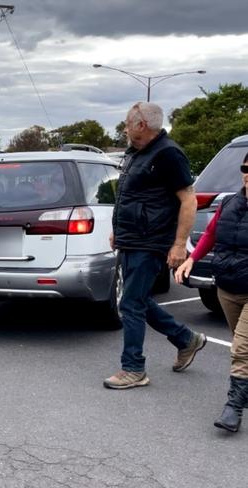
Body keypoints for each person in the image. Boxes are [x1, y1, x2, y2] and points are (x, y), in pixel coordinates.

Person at [105, 101, 206, 389]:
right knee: (138, 300)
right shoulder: (135, 153)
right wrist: (117, 230)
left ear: (141, 125)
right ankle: (187, 339)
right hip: (131, 238)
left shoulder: (168, 154)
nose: (124, 128)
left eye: (127, 123)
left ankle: (134, 368)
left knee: (132, 303)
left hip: (150, 241)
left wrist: (178, 245)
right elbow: (127, 196)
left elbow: (188, 199)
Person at [175, 151, 248, 432]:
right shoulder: (229, 202)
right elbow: (211, 234)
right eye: (245, 167)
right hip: (227, 288)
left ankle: (233, 407)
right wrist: (192, 259)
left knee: (241, 349)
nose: (247, 173)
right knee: (242, 343)